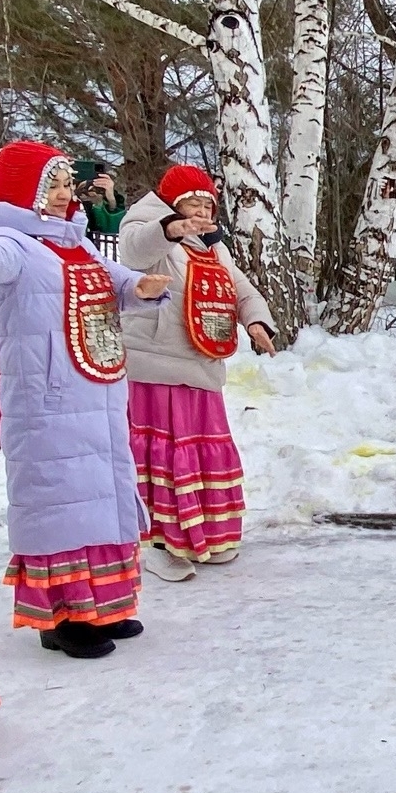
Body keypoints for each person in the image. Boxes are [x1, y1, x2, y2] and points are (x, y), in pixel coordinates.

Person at [0, 142, 167, 660]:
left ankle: (103, 603)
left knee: (103, 495)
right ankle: (62, 617)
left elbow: (111, 278)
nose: (59, 195)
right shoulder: (13, 241)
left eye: (63, 186)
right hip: (48, 401)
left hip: (97, 389)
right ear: (20, 190)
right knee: (60, 503)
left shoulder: (71, 242)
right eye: (48, 185)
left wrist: (138, 285)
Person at [117, 164, 278, 583]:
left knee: (202, 450)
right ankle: (157, 542)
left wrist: (256, 320)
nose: (203, 211)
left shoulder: (211, 245)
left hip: (202, 359)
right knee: (164, 456)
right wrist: (170, 228)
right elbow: (132, 252)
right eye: (194, 202)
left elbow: (237, 285)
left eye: (208, 203)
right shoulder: (148, 226)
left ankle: (204, 535)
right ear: (173, 203)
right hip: (155, 364)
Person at [75, 161, 127, 237]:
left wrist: (111, 200)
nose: (91, 192)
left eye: (95, 189)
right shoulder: (67, 205)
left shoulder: (98, 205)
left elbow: (112, 230)